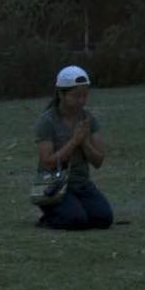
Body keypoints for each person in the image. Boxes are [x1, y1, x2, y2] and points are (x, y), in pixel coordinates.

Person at [32, 64, 113, 229]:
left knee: (104, 219)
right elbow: (47, 162)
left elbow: (98, 161)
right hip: (54, 185)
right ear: (61, 94)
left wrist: (84, 142)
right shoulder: (47, 121)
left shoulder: (88, 119)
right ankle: (50, 217)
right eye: (76, 96)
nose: (81, 101)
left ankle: (74, 208)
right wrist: (74, 141)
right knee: (76, 220)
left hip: (81, 184)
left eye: (85, 95)